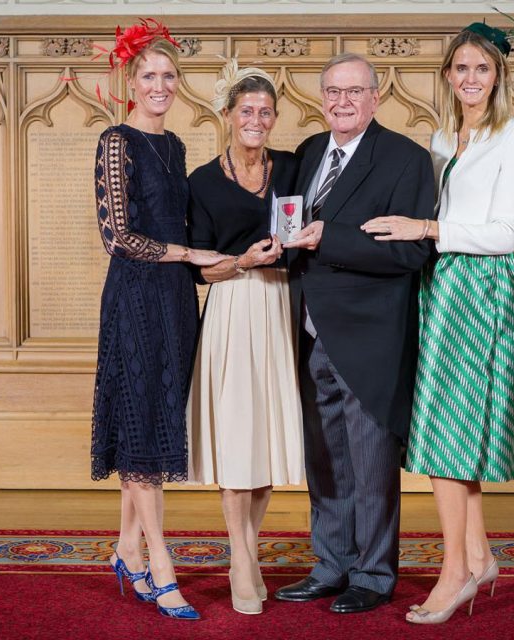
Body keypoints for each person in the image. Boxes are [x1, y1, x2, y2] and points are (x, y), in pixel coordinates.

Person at [361, 18, 514, 624]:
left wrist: (428, 228)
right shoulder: (440, 139)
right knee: (445, 430)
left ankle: (456, 572)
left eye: (482, 69)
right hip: (436, 286)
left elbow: (505, 233)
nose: (471, 78)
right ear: (447, 75)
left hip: (480, 290)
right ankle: (479, 557)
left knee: (447, 434)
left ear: (498, 76)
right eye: (461, 68)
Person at [274, 53, 436, 614]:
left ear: (375, 97)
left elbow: (414, 251)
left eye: (353, 92)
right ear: (321, 99)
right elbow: (287, 220)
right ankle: (331, 564)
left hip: (369, 338)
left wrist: (330, 239)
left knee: (369, 462)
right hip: (308, 330)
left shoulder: (404, 159)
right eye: (332, 93)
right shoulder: (310, 152)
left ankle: (372, 573)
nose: (341, 102)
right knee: (323, 460)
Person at [89, 20, 226, 621]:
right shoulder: (115, 141)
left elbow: (188, 229)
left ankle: (126, 550)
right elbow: (116, 235)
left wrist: (224, 259)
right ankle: (162, 566)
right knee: (141, 431)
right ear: (130, 81)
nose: (160, 85)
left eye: (169, 75)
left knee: (150, 424)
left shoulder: (174, 146)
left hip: (175, 301)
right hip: (136, 298)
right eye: (149, 75)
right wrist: (187, 253)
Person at [185, 61, 305, 616]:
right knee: (237, 440)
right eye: (246, 111)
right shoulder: (203, 182)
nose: (255, 119)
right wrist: (241, 261)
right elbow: (198, 269)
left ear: (274, 117)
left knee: (265, 439)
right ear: (228, 116)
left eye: (265, 112)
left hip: (282, 306)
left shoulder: (295, 170)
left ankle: (246, 554)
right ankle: (241, 562)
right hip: (233, 307)